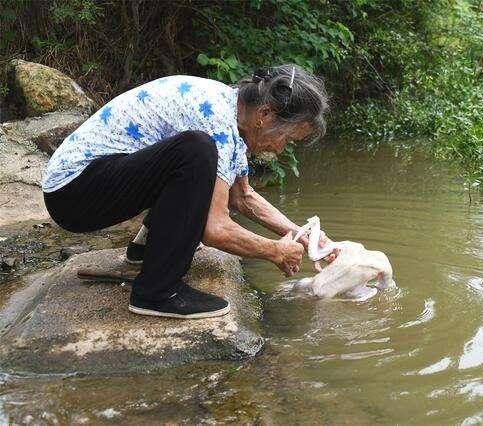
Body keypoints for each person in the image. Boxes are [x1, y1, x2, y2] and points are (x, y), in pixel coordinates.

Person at [41, 64, 336, 319]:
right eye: (285, 136)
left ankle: (146, 250)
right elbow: (215, 229)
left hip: (87, 185)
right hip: (73, 192)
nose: (280, 147)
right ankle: (157, 293)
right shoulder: (216, 122)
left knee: (196, 158)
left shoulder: (232, 114)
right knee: (196, 150)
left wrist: (303, 236)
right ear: (265, 114)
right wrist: (274, 251)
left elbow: (242, 197)